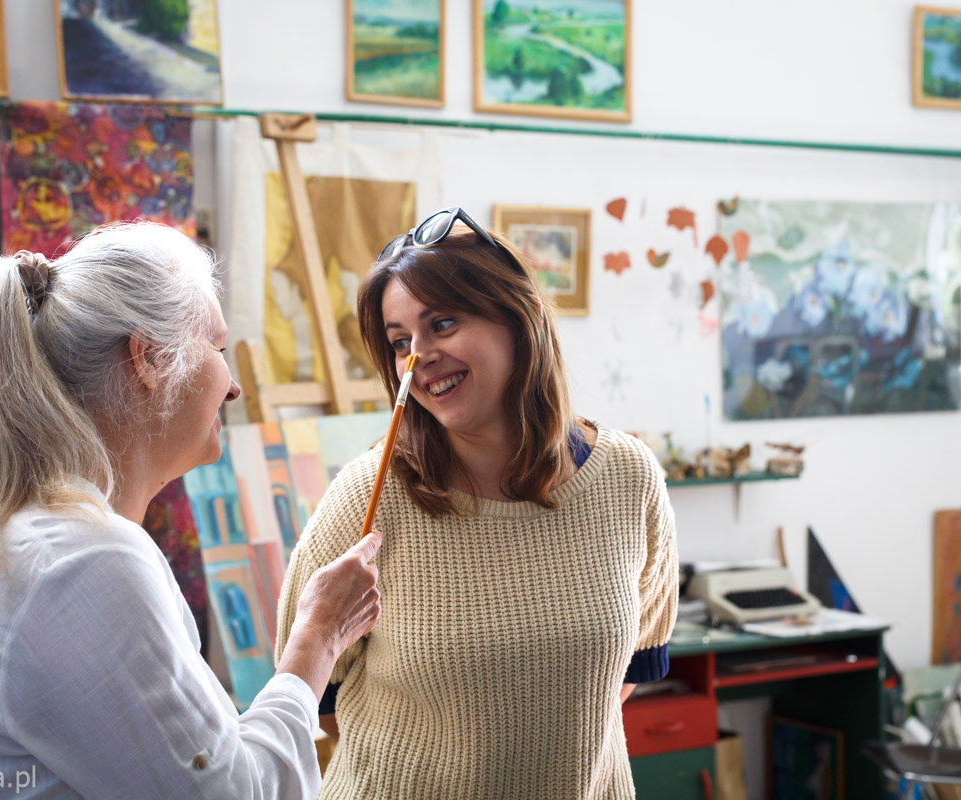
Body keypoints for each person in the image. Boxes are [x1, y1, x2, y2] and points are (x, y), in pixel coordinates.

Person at [0, 222, 382, 799]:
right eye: (218, 348)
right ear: (149, 358)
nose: (233, 388)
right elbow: (228, 794)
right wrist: (316, 640)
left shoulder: (44, 538)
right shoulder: (82, 563)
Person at [274, 208, 679, 799]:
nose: (420, 355)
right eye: (399, 342)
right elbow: (312, 694)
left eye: (442, 323)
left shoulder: (628, 476)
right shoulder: (370, 495)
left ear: (524, 318)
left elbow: (633, 666)